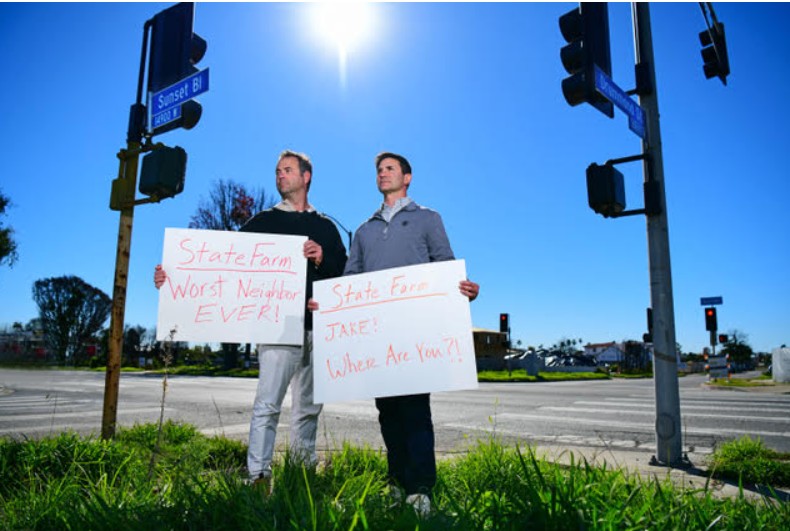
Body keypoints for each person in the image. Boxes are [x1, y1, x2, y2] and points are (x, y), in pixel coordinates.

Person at [154, 150, 347, 492]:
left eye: (287, 170)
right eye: (277, 171)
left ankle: (302, 475)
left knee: (308, 409)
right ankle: (259, 476)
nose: (280, 175)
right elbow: (224, 261)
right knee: (267, 405)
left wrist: (322, 257)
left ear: (306, 177)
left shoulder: (326, 227)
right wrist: (174, 277)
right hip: (277, 328)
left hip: (317, 329)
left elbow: (344, 275)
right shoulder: (263, 221)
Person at [343, 151, 479, 515]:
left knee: (415, 410)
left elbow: (445, 265)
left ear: (407, 177)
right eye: (379, 170)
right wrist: (329, 305)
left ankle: (420, 489)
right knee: (387, 412)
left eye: (390, 168)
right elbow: (350, 279)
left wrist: (464, 288)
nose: (382, 173)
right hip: (376, 335)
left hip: (416, 333)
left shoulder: (428, 219)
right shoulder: (364, 230)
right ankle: (396, 482)